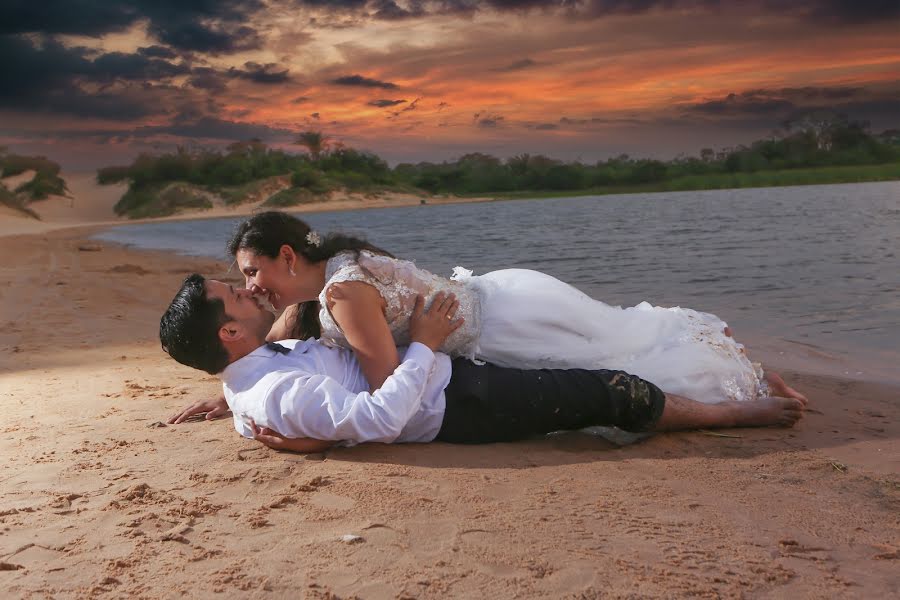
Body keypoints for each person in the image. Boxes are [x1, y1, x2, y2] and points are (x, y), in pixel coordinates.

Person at [221, 211, 806, 410]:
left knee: (624, 360)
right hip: (510, 292)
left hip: (508, 329)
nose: (252, 286)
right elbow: (295, 337)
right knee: (630, 334)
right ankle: (750, 369)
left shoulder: (342, 294)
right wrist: (240, 386)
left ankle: (749, 382)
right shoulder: (341, 264)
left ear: (289, 256)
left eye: (253, 272)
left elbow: (384, 386)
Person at [159, 274, 805, 452]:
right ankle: (733, 415)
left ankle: (727, 383)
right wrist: (427, 343)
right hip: (455, 405)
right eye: (237, 295)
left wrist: (233, 408)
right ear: (228, 332)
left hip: (446, 381)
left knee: (582, 361)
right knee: (607, 393)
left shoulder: (257, 373)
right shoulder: (268, 394)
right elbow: (379, 419)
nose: (248, 292)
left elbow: (297, 407)